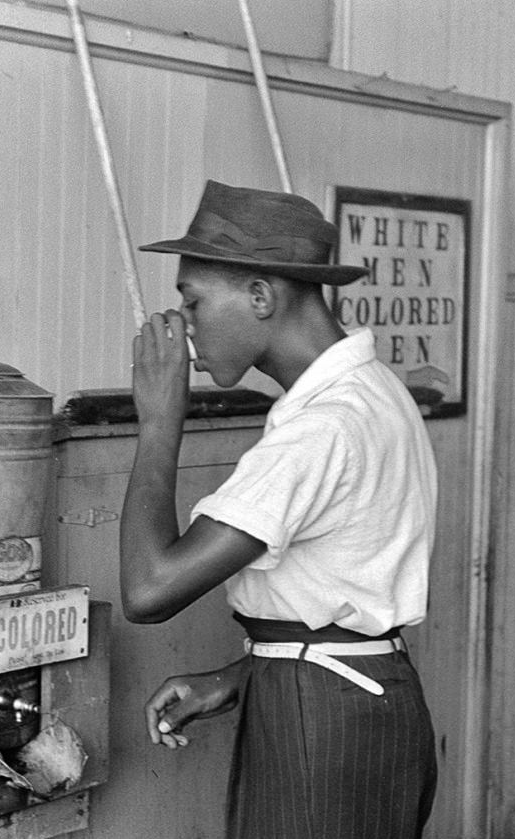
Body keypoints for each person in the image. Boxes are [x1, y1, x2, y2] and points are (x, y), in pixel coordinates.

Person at [119, 180, 439, 838]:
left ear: (261, 295)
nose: (183, 327)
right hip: (347, 693)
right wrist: (244, 674)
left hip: (324, 721)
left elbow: (149, 589)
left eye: (193, 301)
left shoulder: (325, 427)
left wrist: (158, 423)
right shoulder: (370, 391)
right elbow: (344, 596)